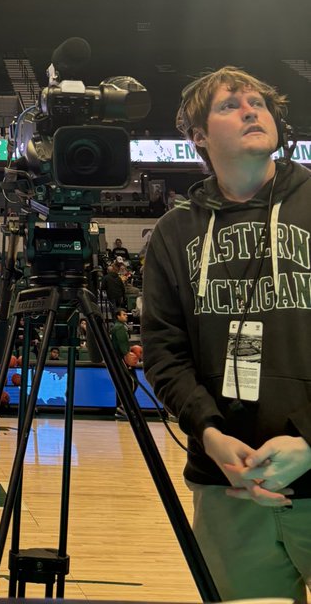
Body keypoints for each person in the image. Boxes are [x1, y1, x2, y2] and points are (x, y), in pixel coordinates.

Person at [142, 66, 311, 600]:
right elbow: (166, 356)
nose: (250, 109)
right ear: (197, 137)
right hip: (228, 484)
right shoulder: (174, 233)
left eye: (258, 101)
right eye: (229, 104)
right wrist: (212, 439)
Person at [109, 308, 132, 420]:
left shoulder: (120, 327)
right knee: (129, 383)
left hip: (119, 358)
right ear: (118, 316)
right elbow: (123, 346)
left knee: (126, 383)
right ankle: (123, 408)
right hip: (120, 359)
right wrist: (127, 357)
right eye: (124, 314)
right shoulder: (119, 328)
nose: (126, 316)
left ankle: (123, 407)